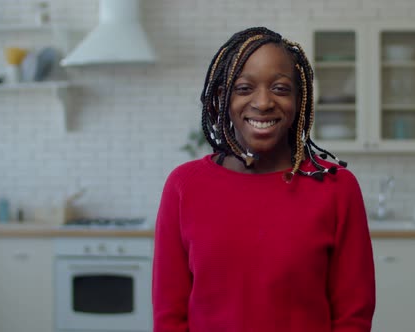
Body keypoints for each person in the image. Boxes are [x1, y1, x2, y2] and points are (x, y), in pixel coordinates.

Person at [152, 27, 375, 332]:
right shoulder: (183, 187)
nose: (263, 102)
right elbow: (169, 316)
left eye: (281, 88)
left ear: (300, 99)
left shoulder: (337, 188)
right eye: (244, 88)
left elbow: (353, 316)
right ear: (222, 98)